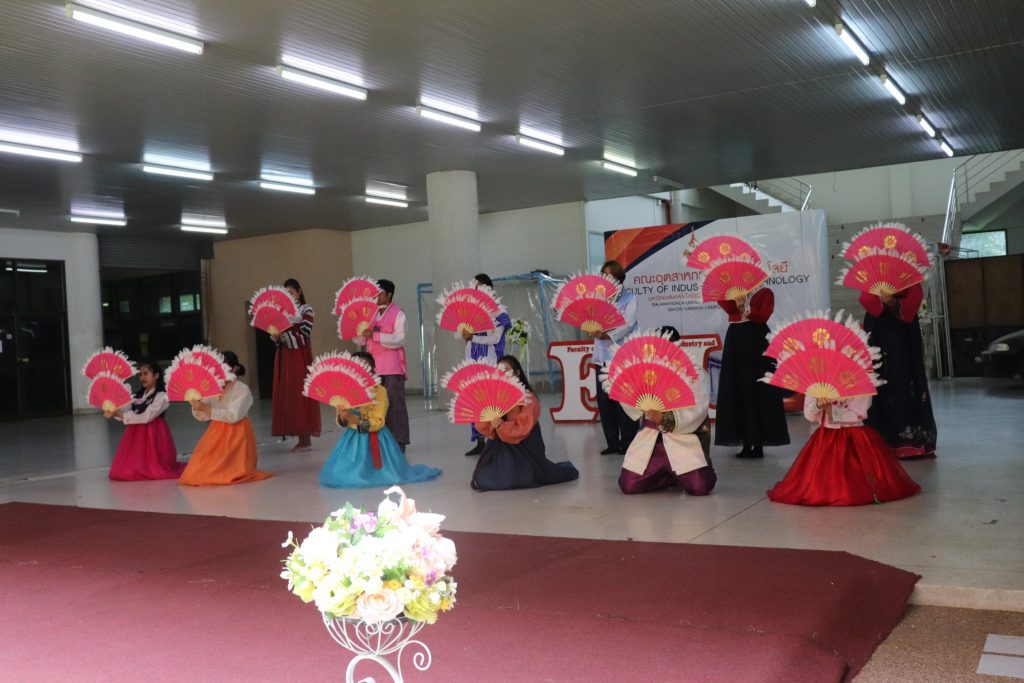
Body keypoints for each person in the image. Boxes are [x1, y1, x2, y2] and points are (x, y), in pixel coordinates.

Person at [767, 394, 921, 506]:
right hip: (825, 437)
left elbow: (859, 414)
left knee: (860, 481)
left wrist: (832, 409)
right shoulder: (817, 383)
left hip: (855, 437)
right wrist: (817, 404)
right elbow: (810, 416)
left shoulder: (860, 380)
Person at [319, 352, 441, 489]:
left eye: (365, 366)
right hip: (352, 438)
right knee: (341, 474)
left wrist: (356, 420)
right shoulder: (346, 390)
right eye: (356, 366)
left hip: (375, 437)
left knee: (380, 473)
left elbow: (378, 422)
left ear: (372, 369)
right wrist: (343, 417)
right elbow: (342, 423)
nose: (360, 370)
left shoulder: (380, 391)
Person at [618, 327, 716, 495]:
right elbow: (630, 399)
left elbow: (699, 407)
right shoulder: (646, 371)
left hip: (681, 438)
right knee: (629, 485)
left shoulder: (694, 372)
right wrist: (640, 403)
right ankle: (670, 476)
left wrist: (667, 418)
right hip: (651, 439)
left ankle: (694, 469)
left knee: (700, 487)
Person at [472, 355, 579, 491]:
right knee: (483, 477)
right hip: (501, 446)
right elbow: (486, 428)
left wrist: (501, 425)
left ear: (517, 373)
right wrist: (489, 419)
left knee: (523, 477)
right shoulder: (495, 396)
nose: (502, 374)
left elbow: (523, 428)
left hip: (524, 444)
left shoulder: (529, 398)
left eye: (506, 370)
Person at [859, 284, 938, 458]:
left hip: (902, 329)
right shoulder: (872, 275)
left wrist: (893, 302)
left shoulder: (907, 274)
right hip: (877, 329)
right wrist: (880, 300)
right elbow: (865, 298)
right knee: (877, 377)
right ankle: (880, 439)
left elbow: (914, 298)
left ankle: (909, 441)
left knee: (904, 377)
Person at [714, 287, 789, 458]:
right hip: (736, 338)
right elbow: (727, 308)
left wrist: (745, 308)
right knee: (738, 387)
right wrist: (736, 300)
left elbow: (763, 316)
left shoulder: (765, 292)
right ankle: (746, 443)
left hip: (757, 339)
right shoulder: (734, 290)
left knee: (759, 389)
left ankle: (759, 443)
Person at [180, 351, 273, 486]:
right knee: (195, 472)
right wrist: (197, 405)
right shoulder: (212, 388)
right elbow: (203, 416)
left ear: (234, 369)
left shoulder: (242, 389)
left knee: (227, 471)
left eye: (224, 367)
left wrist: (206, 409)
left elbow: (233, 416)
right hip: (216, 432)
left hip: (237, 433)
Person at [354, 279, 410, 452]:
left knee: (394, 405)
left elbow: (400, 339)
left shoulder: (398, 314)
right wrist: (358, 331)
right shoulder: (369, 314)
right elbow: (359, 340)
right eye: (375, 292)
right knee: (372, 405)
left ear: (389, 294)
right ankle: (377, 441)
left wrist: (375, 335)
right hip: (372, 368)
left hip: (392, 367)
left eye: (380, 293)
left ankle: (398, 442)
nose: (376, 296)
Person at [590, 260, 639, 455]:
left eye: (608, 275)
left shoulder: (630, 298)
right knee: (605, 402)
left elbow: (628, 323)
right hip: (602, 358)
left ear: (618, 277)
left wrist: (607, 335)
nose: (604, 278)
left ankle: (628, 442)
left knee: (624, 402)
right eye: (602, 274)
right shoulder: (599, 299)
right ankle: (612, 442)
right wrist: (593, 330)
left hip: (622, 357)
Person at [106, 359, 183, 481]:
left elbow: (147, 417)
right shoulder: (137, 396)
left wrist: (120, 415)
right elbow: (126, 410)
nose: (142, 378)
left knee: (153, 466)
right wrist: (114, 411)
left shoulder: (161, 396)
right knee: (125, 471)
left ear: (156, 376)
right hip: (136, 432)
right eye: (140, 374)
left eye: (146, 374)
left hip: (155, 433)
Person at [462, 273, 513, 456]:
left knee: (492, 401)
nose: (475, 291)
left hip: (491, 362)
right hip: (472, 361)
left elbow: (495, 338)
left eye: (478, 287)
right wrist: (464, 335)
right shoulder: (471, 312)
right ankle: (479, 440)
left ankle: (496, 438)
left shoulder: (499, 311)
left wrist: (473, 337)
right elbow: (463, 336)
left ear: (488, 289)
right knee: (474, 401)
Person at [271, 278, 321, 452]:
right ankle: (299, 437)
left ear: (299, 292)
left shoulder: (306, 310)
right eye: (286, 293)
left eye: (291, 292)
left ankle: (305, 439)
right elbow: (278, 334)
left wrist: (284, 337)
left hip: (300, 355)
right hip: (285, 356)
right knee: (289, 394)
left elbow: (304, 334)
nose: (289, 296)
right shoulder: (282, 312)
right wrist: (276, 337)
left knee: (301, 394)